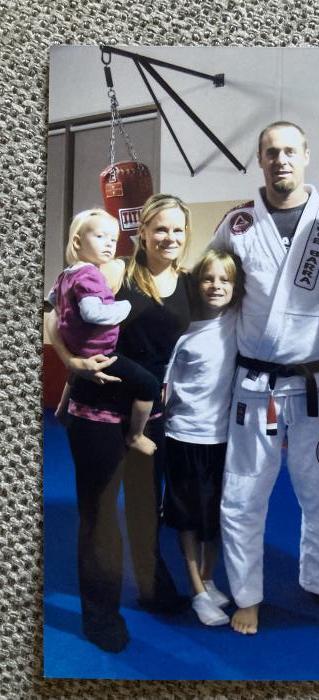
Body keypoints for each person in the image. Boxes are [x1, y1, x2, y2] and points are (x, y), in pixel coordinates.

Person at [211, 121, 319, 634]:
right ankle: (247, 594)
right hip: (255, 387)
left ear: (306, 156)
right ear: (260, 159)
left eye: (290, 151)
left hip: (317, 385)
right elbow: (214, 297)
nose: (281, 160)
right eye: (272, 152)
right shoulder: (237, 225)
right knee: (243, 494)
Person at [46, 193, 193, 652]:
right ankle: (100, 615)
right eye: (160, 228)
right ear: (142, 232)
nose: (169, 237)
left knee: (147, 508)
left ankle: (152, 587)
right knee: (101, 514)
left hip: (150, 413)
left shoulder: (188, 283)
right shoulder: (115, 271)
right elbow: (54, 315)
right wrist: (71, 361)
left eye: (178, 229)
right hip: (99, 409)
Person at [163, 249, 244, 626]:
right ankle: (196, 591)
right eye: (208, 279)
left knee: (217, 514)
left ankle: (209, 579)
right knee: (189, 518)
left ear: (235, 287)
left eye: (225, 280)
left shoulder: (237, 322)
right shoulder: (183, 332)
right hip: (184, 436)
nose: (216, 286)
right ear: (196, 285)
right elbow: (165, 387)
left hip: (223, 438)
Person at [48, 208, 158, 455]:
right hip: (101, 351)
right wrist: (123, 307)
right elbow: (93, 313)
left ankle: (62, 409)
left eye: (113, 239)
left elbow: (53, 299)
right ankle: (136, 435)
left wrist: (66, 313)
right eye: (100, 237)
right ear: (77, 242)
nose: (109, 244)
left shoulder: (66, 274)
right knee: (149, 385)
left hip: (78, 347)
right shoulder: (91, 274)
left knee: (76, 375)